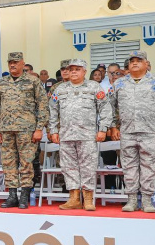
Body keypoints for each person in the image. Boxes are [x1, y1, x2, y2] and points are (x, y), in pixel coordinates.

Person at [48, 59, 113, 211]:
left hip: (87, 135)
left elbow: (105, 108)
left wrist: (103, 129)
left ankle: (88, 199)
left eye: (77, 69)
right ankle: (74, 198)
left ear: (84, 71)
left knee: (88, 167)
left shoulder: (94, 87)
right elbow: (53, 111)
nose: (74, 72)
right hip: (66, 135)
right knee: (68, 167)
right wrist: (54, 131)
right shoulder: (60, 89)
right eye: (71, 69)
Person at [111, 50, 155, 213]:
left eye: (139, 60)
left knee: (149, 166)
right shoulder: (119, 83)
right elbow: (111, 107)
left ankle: (146, 200)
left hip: (150, 131)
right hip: (127, 131)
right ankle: (131, 199)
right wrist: (113, 126)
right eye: (131, 61)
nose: (135, 63)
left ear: (146, 63)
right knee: (129, 166)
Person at [0, 52, 49, 209]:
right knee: (8, 163)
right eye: (10, 62)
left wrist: (39, 128)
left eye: (16, 62)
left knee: (26, 162)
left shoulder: (33, 81)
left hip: (27, 130)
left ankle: (24, 195)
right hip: (6, 129)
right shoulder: (2, 83)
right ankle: (12, 195)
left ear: (23, 63)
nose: (12, 65)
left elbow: (42, 105)